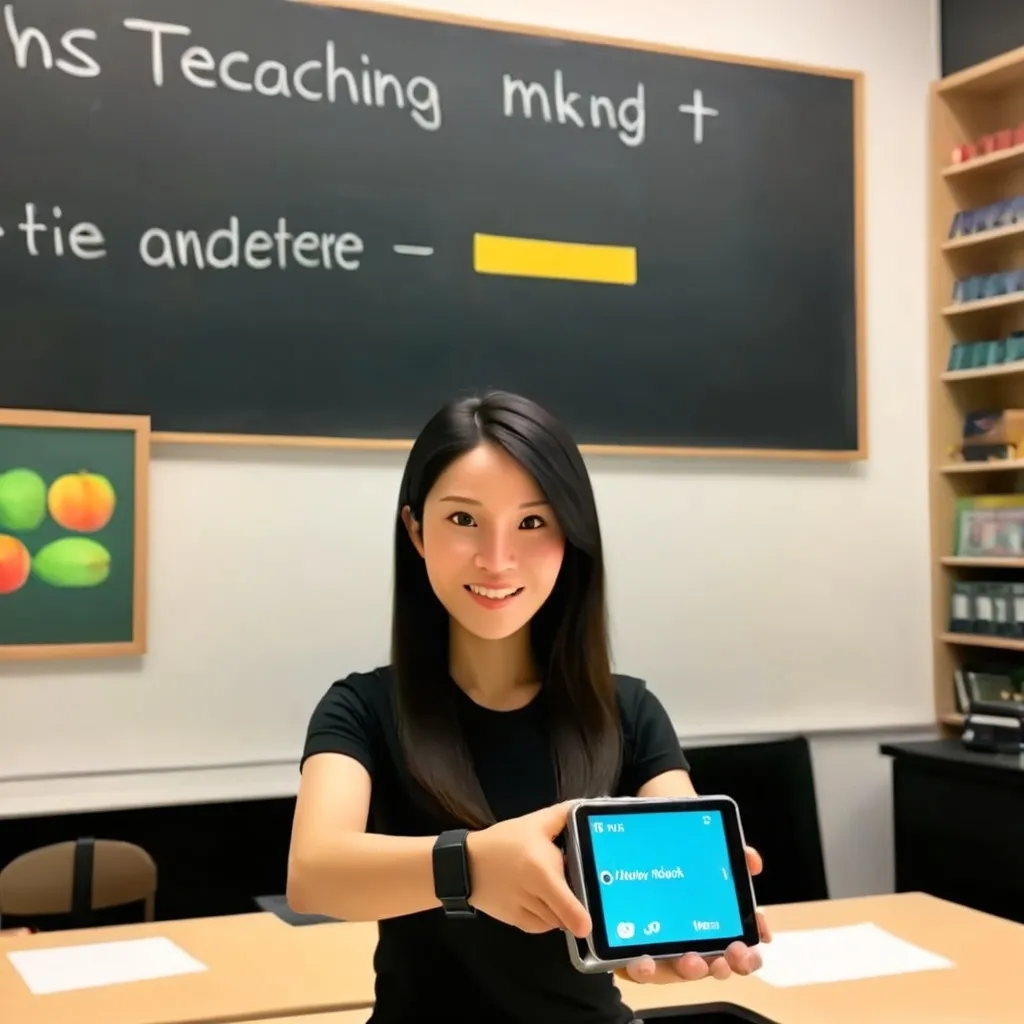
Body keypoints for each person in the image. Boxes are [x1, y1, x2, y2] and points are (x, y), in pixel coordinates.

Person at [287, 390, 770, 1024]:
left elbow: (670, 873)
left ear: (570, 535)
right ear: (416, 530)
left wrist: (666, 941)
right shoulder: (361, 708)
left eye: (533, 523)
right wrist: (473, 866)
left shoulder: (629, 709)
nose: (496, 558)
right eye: (463, 521)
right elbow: (315, 872)